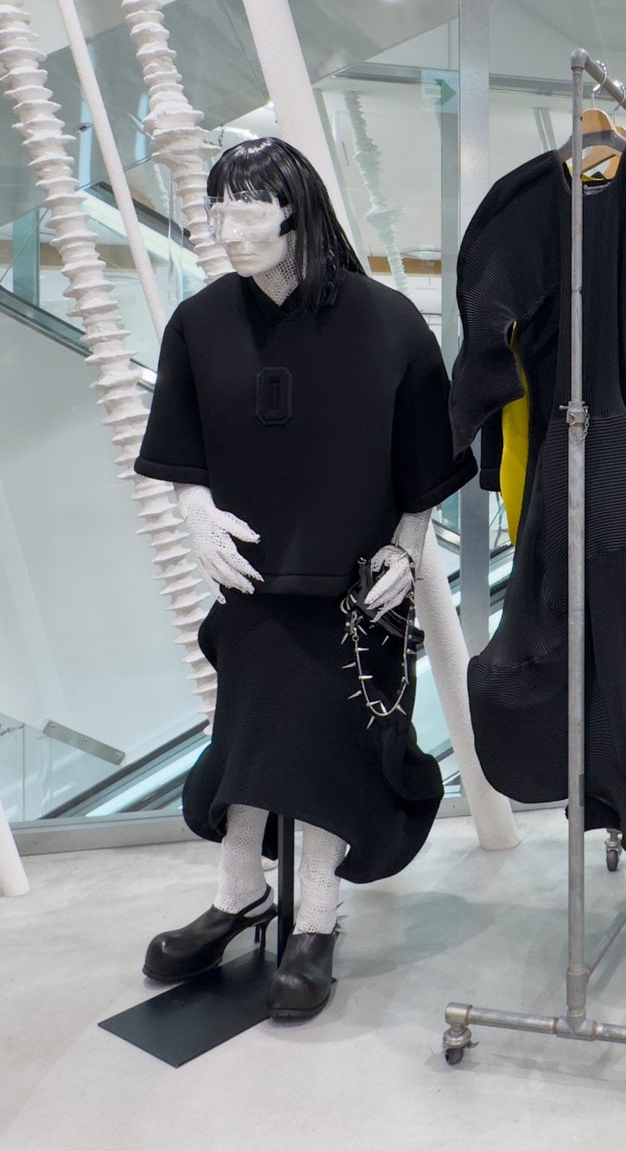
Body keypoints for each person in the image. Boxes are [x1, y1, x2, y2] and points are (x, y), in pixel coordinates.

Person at [132, 137, 473, 1021]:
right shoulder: (199, 323)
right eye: (218, 212)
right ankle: (239, 892)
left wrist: (407, 549)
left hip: (354, 591)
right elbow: (179, 448)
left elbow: (424, 465)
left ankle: (314, 917)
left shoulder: (388, 323)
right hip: (248, 586)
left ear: (296, 212)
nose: (227, 230)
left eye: (247, 211)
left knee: (325, 752)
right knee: (244, 741)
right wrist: (196, 515)